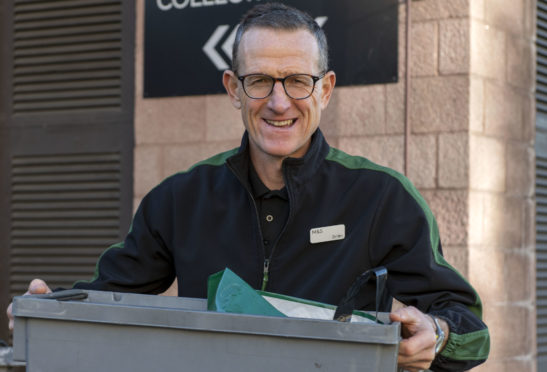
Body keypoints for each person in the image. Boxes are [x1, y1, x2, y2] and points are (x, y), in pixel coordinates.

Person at [7, 3, 489, 371]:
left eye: (298, 80)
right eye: (259, 80)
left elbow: (469, 325)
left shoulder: (383, 198)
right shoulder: (180, 199)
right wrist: (47, 310)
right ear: (233, 88)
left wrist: (438, 333)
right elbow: (104, 295)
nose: (279, 102)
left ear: (325, 89)